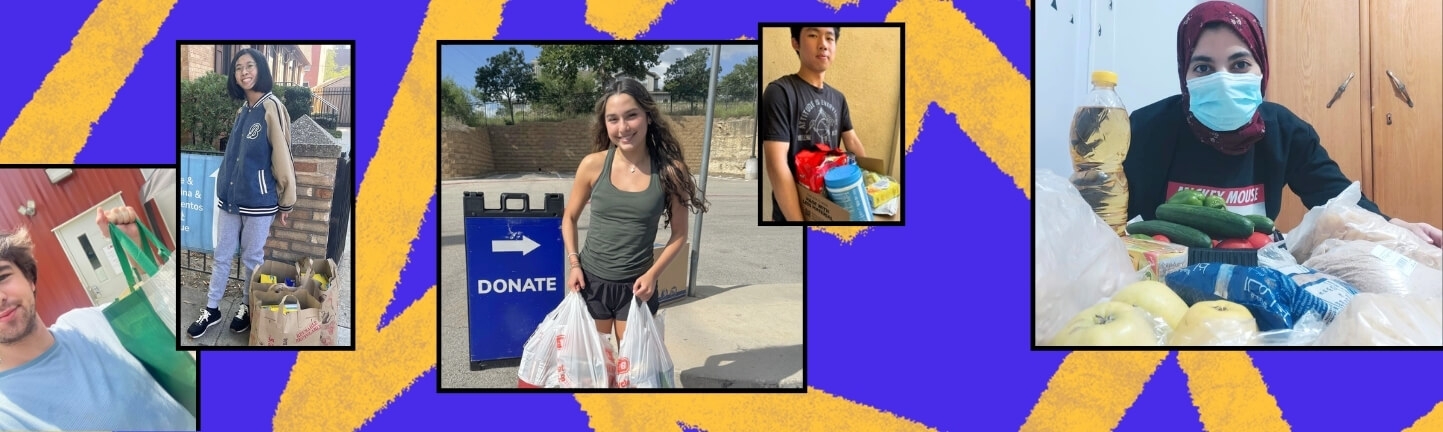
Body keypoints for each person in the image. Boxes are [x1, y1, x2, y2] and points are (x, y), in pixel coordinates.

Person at [1124, 1, 1442, 245]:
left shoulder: (1285, 131)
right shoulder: (1147, 129)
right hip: (1160, 279)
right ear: (1185, 74)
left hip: (1253, 274)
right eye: (1204, 68)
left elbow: (1337, 199)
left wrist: (1394, 226)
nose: (1223, 79)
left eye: (1240, 64)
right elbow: (1115, 220)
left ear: (1261, 69)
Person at [0, 227, 195, 431]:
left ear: (30, 279)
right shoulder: (6, 416)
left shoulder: (86, 322)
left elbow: (169, 317)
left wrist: (138, 254)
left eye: (2, 277)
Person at [563, 77, 709, 345]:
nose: (623, 127)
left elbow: (679, 234)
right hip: (591, 281)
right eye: (613, 119)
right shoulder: (592, 165)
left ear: (649, 116)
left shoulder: (670, 171)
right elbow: (569, 218)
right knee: (596, 369)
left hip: (638, 284)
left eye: (631, 116)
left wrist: (653, 275)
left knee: (634, 371)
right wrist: (574, 265)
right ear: (604, 124)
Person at [187, 48, 298, 339]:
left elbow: (283, 156)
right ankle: (212, 309)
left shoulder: (272, 107)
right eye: (238, 68)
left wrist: (286, 202)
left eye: (250, 66)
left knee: (252, 258)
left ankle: (249, 306)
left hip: (259, 202)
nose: (244, 72)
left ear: (260, 69)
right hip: (230, 199)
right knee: (222, 255)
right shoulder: (242, 111)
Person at [762, 26, 870, 222]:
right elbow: (775, 164)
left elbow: (852, 141)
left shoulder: (838, 98)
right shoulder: (780, 92)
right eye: (813, 35)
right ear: (796, 42)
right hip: (795, 210)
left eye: (830, 38)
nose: (823, 45)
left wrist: (870, 182)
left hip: (833, 204)